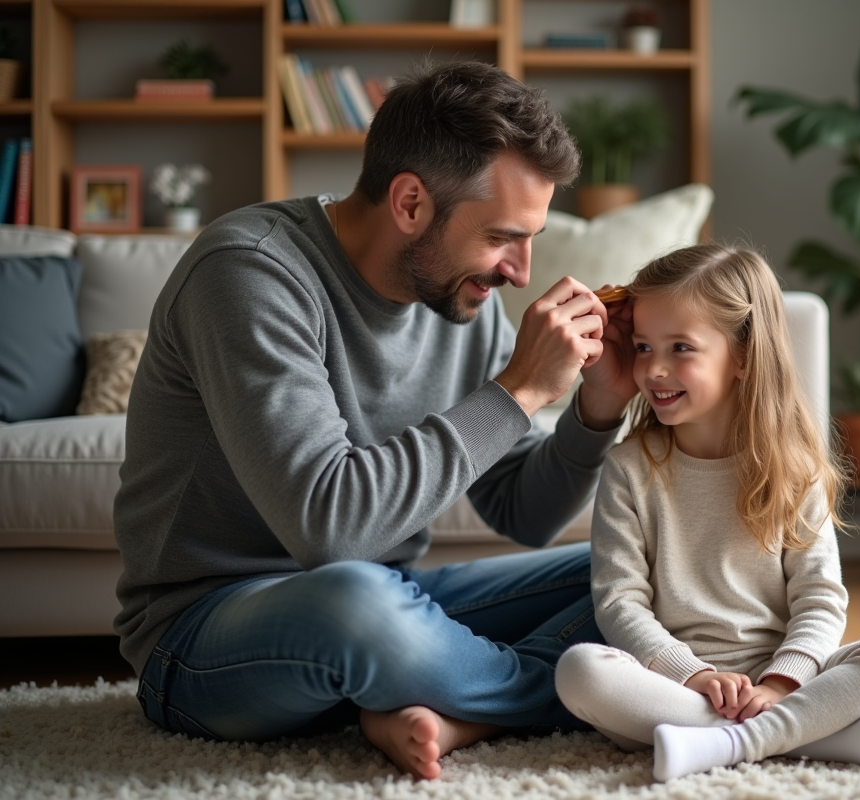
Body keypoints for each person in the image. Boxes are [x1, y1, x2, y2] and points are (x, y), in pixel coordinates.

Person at [112, 59, 639, 780]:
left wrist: (595, 407)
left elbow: (522, 510)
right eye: (502, 237)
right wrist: (518, 392)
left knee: (644, 571)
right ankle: (533, 693)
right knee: (358, 602)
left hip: (394, 604)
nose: (519, 271)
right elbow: (331, 529)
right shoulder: (249, 273)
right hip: (205, 635)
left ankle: (450, 705)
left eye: (530, 240)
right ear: (411, 203)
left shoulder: (458, 298)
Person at [554, 244, 860, 782]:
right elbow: (619, 601)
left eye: (681, 347)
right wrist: (695, 676)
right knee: (582, 673)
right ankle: (801, 737)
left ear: (744, 356)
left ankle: (727, 739)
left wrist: (779, 685)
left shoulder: (793, 469)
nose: (654, 369)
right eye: (642, 346)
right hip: (675, 684)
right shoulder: (629, 469)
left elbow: (819, 600)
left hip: (779, 679)